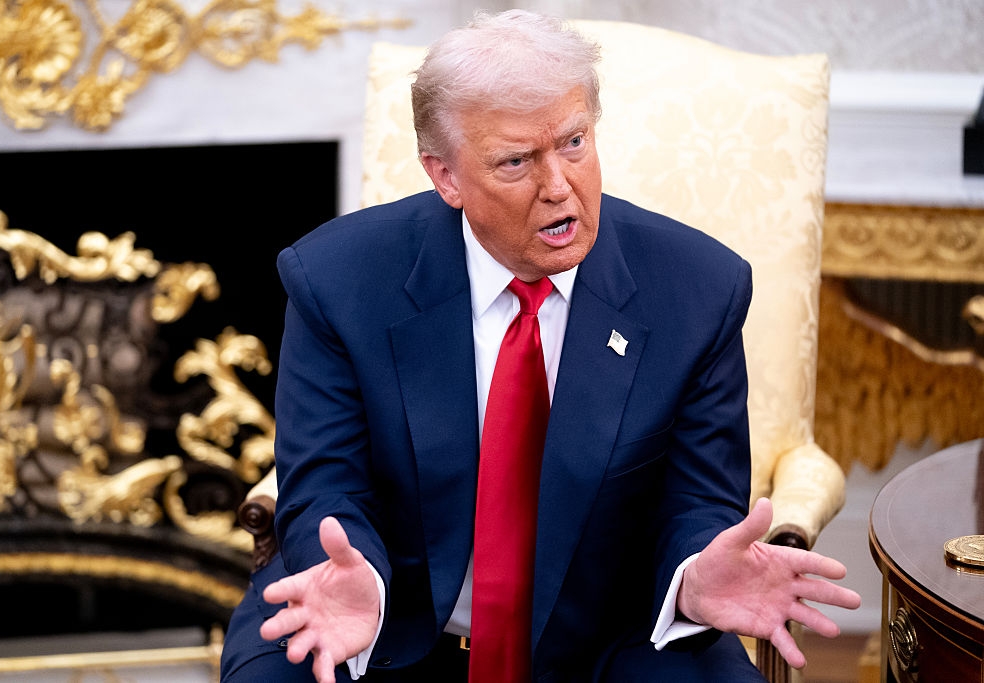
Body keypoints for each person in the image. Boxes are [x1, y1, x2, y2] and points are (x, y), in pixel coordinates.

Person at [220, 9, 861, 682]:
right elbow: (326, 481)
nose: (560, 186)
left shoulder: (698, 291)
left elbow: (698, 502)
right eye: (517, 161)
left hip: (608, 640)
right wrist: (358, 581)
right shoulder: (336, 281)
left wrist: (696, 571)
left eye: (574, 142)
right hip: (391, 628)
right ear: (446, 177)